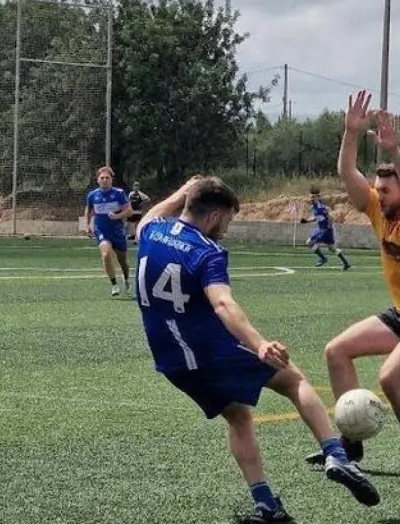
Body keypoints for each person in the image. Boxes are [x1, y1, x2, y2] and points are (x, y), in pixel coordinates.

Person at [135, 176, 380, 521]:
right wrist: (260, 343)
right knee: (294, 380)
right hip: (211, 349)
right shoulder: (208, 252)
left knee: (237, 416)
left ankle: (266, 504)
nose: (226, 229)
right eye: (229, 221)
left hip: (172, 360)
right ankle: (335, 453)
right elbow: (222, 304)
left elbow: (151, 215)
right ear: (215, 216)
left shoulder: (151, 231)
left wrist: (183, 190)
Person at [306, 91, 400, 477]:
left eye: (387, 187)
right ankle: (349, 445)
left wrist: (395, 153)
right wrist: (350, 133)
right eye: (378, 186)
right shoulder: (378, 208)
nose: (379, 192)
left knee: (390, 376)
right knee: (336, 351)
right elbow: (347, 174)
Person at [84, 166, 132, 297]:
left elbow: (129, 211)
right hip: (101, 231)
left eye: (107, 178)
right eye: (102, 178)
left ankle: (126, 280)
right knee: (105, 254)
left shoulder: (119, 193)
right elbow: (88, 210)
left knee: (123, 262)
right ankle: (114, 284)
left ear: (111, 180)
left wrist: (117, 216)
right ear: (98, 180)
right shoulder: (92, 195)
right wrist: (87, 225)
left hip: (117, 231)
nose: (104, 180)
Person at [300, 189, 351, 270]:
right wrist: (307, 221)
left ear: (317, 198)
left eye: (313, 197)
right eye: (310, 197)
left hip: (325, 230)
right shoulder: (314, 207)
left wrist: (328, 227)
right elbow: (316, 218)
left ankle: (323, 258)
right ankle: (346, 263)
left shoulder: (322, 207)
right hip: (323, 229)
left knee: (309, 243)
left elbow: (330, 217)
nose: (311, 199)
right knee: (332, 248)